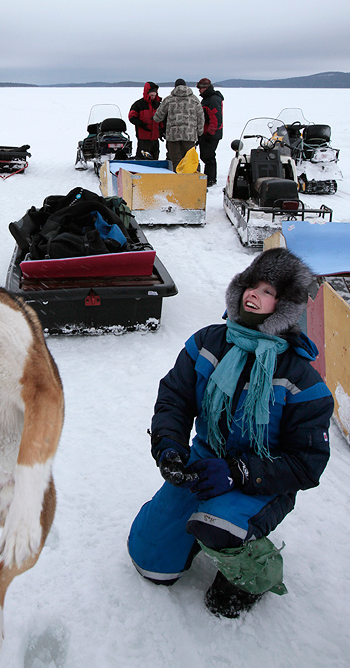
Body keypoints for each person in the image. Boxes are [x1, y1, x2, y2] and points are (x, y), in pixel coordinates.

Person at [128, 248, 333, 618]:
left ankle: (256, 572)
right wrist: (170, 449)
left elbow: (307, 463)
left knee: (219, 532)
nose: (253, 294)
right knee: (150, 561)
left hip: (263, 480)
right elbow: (174, 399)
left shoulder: (303, 380)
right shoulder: (207, 342)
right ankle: (188, 534)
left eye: (268, 291)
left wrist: (239, 472)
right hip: (204, 464)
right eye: (251, 285)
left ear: (285, 305)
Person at [152, 79, 204, 170]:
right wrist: (199, 132)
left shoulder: (169, 99)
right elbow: (200, 117)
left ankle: (178, 180)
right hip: (189, 135)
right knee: (191, 159)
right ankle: (195, 180)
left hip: (173, 135)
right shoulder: (194, 99)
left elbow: (157, 117)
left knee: (176, 160)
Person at [196, 78, 224, 187]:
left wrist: (210, 133)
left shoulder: (213, 99)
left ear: (206, 88)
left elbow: (216, 118)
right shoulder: (207, 99)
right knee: (206, 156)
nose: (199, 91)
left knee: (209, 157)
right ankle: (209, 178)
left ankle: (210, 179)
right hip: (206, 132)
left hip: (211, 133)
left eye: (201, 88)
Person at [128, 82, 164, 159]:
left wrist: (162, 131)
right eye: (151, 95)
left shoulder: (158, 105)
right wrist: (141, 124)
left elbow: (161, 119)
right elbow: (131, 117)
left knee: (155, 159)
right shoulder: (138, 104)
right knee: (141, 159)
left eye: (154, 95)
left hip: (155, 138)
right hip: (143, 138)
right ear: (147, 94)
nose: (153, 97)